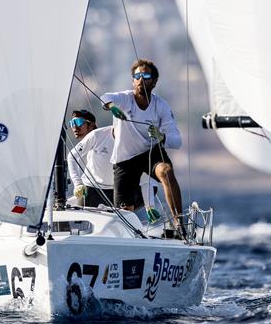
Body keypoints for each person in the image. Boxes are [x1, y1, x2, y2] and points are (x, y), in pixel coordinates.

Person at [100, 59, 184, 236]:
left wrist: (162, 137)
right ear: (133, 81)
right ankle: (128, 239)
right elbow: (105, 97)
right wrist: (112, 107)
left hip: (150, 153)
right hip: (125, 159)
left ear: (154, 81)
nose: (140, 79)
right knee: (125, 212)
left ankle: (179, 225)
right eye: (136, 76)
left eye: (145, 76)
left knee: (166, 171)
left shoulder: (161, 106)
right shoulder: (125, 99)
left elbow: (177, 141)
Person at [66, 109, 115, 207]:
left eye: (78, 122)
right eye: (72, 123)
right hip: (89, 189)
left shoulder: (98, 136)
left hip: (113, 190)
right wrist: (78, 184)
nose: (74, 126)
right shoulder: (85, 144)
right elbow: (71, 156)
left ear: (91, 125)